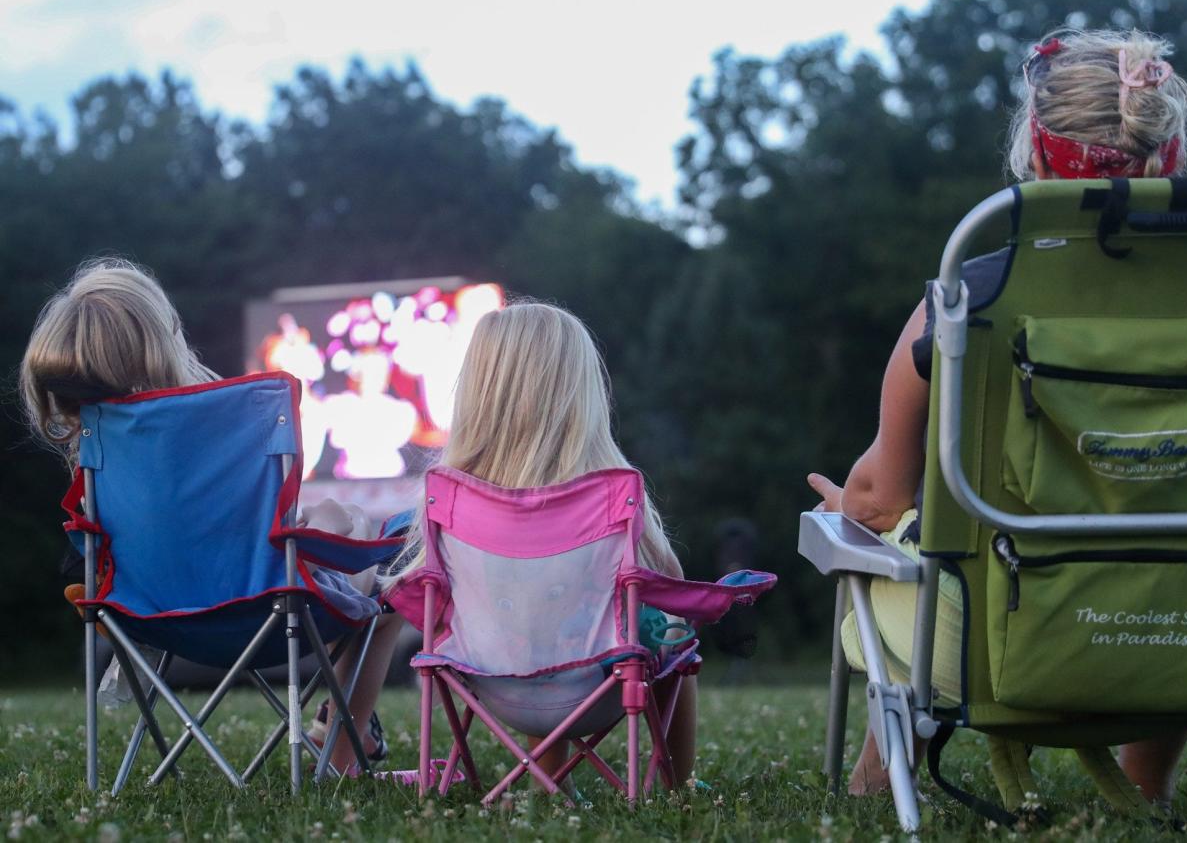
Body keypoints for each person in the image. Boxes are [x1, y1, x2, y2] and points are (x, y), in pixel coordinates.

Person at [806, 28, 1187, 804]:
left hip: (993, 644)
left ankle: (880, 781)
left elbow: (883, 498)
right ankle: (1148, 784)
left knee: (873, 544)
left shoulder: (961, 301)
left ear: (1041, 159)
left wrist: (846, 507)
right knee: (1178, 535)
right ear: (1170, 155)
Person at [20, 257, 400, 775]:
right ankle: (343, 738)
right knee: (381, 584)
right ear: (166, 335)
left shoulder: (98, 450)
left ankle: (340, 725)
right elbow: (264, 540)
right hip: (262, 614)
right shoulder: (229, 421)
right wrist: (335, 521)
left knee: (339, 519)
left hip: (147, 620)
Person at [387, 301, 699, 787]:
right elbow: (670, 579)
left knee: (527, 619)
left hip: (489, 686)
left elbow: (428, 593)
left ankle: (547, 781)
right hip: (599, 688)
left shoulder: (448, 494)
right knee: (671, 629)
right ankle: (676, 781)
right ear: (582, 392)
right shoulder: (609, 492)